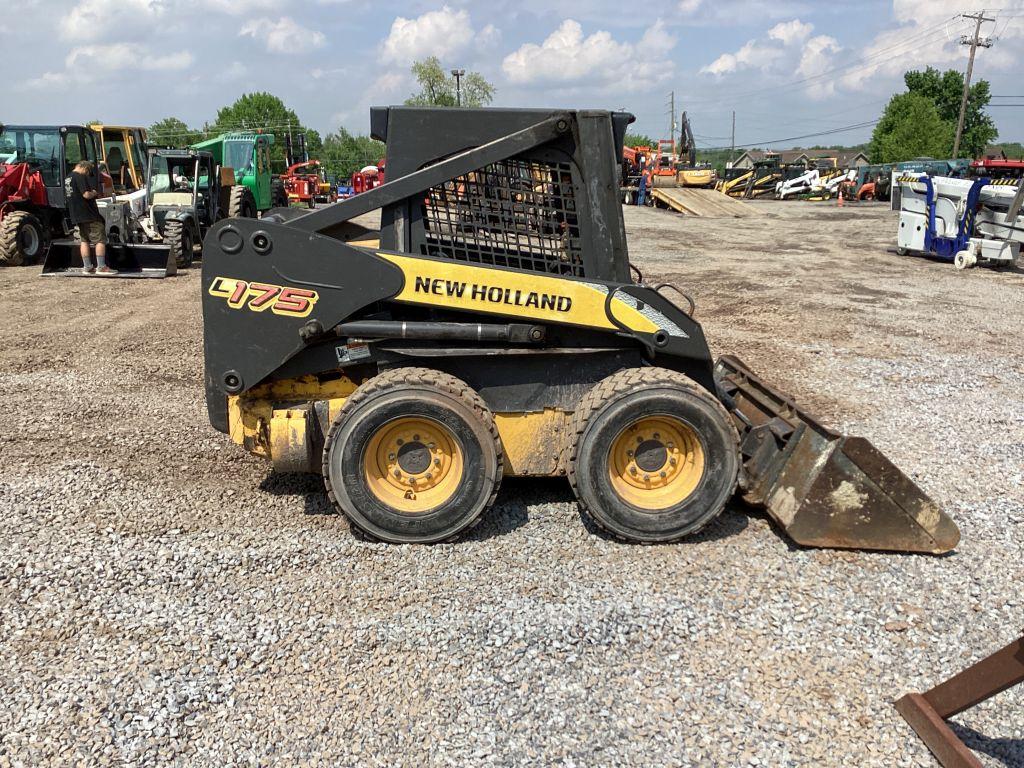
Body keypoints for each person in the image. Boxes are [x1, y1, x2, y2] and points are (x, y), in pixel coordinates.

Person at [68, 161, 116, 275]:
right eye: (88, 172)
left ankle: (87, 267)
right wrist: (95, 192)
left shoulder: (68, 178)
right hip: (88, 214)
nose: (87, 174)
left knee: (84, 240)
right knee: (100, 239)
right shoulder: (79, 176)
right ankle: (101, 267)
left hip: (76, 214)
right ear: (84, 168)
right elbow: (86, 194)